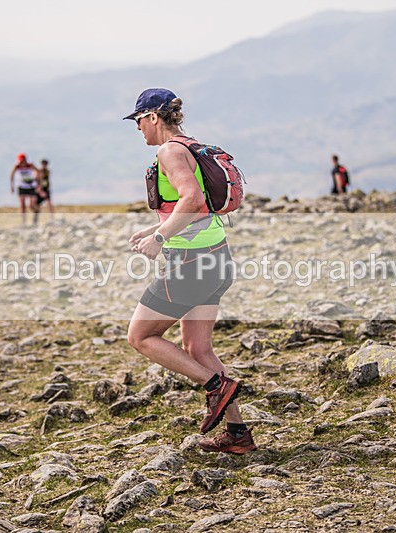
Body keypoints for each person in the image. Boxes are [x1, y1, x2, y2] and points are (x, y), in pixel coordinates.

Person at [124, 88, 257, 455]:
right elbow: (194, 207)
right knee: (197, 348)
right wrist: (151, 229)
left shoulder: (168, 150)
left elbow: (193, 199)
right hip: (216, 259)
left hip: (192, 263)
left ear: (153, 117)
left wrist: (160, 238)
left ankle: (216, 385)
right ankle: (238, 434)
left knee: (140, 336)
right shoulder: (189, 145)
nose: (138, 129)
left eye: (138, 121)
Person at [10, 153, 40, 225]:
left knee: (31, 205)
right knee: (22, 204)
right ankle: (23, 222)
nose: (21, 163)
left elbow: (38, 172)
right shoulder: (17, 166)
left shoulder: (30, 165)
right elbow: (12, 175)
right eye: (20, 161)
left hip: (31, 186)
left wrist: (38, 184)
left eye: (22, 161)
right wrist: (12, 186)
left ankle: (36, 213)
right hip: (21, 186)